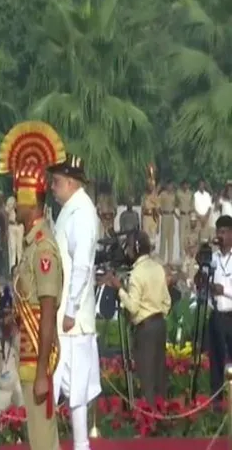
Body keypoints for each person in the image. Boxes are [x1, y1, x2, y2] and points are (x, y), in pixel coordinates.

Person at [0, 121, 66, 450]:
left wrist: (42, 372)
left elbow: (49, 309)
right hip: (25, 354)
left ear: (30, 199)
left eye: (18, 197)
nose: (15, 204)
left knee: (43, 440)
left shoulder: (43, 248)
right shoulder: (29, 245)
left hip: (37, 358)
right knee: (35, 437)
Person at [49, 153, 101, 450]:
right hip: (66, 318)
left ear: (70, 182)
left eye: (56, 182)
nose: (53, 188)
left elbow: (81, 265)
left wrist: (69, 310)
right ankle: (70, 444)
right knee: (68, 389)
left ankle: (77, 445)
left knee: (72, 390)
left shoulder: (81, 212)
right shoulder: (72, 209)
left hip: (72, 320)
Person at [107, 231, 171, 405]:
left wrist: (120, 289)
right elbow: (167, 301)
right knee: (159, 374)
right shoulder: (157, 268)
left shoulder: (137, 273)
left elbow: (133, 307)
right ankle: (161, 411)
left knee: (147, 375)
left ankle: (148, 417)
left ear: (134, 250)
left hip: (145, 327)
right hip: (160, 323)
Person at [204, 215, 232, 401]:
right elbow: (204, 287)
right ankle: (217, 403)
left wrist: (225, 290)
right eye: (218, 232)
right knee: (216, 362)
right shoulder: (212, 259)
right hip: (216, 316)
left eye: (223, 232)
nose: (219, 236)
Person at [159, 180, 176, 263]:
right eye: (169, 185)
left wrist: (177, 216)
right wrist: (161, 213)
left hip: (171, 216)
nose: (170, 187)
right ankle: (161, 259)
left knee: (171, 239)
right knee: (163, 238)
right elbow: (158, 205)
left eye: (172, 186)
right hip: (165, 216)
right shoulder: (163, 194)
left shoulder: (174, 195)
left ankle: (170, 261)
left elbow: (175, 205)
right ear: (166, 186)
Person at [176, 180, 194, 260]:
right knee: (181, 236)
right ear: (182, 185)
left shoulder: (190, 194)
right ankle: (181, 254)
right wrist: (177, 215)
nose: (186, 186)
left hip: (188, 216)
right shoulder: (178, 193)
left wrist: (193, 218)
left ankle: (188, 254)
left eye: (187, 185)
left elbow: (192, 206)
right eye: (184, 185)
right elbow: (174, 204)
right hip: (182, 215)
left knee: (188, 236)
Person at [6, 196, 24, 271]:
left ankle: (20, 270)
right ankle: (12, 269)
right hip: (12, 225)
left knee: (19, 249)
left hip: (19, 226)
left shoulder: (22, 198)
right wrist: (11, 206)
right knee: (12, 248)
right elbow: (6, 211)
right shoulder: (10, 199)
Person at [141, 178, 160, 249]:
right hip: (146, 217)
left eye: (152, 186)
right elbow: (142, 210)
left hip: (153, 217)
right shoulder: (144, 196)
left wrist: (158, 224)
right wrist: (141, 222)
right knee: (146, 237)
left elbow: (157, 210)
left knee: (153, 237)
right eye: (149, 186)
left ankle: (152, 253)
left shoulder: (155, 197)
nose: (150, 187)